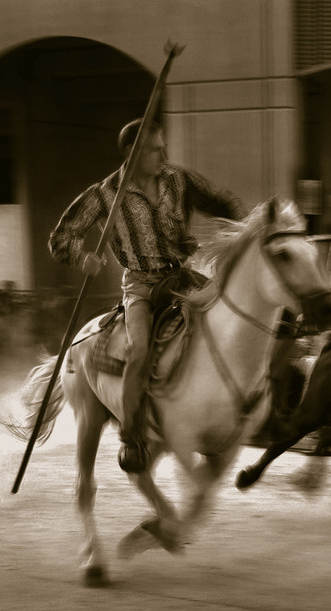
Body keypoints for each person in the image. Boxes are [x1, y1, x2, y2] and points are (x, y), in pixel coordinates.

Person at [49, 118, 246, 472]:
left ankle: (228, 413)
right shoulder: (103, 195)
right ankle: (133, 438)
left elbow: (221, 201)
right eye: (156, 150)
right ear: (132, 153)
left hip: (183, 275)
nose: (164, 155)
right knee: (139, 351)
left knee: (229, 320)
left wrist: (246, 227)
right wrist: (83, 258)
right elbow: (61, 238)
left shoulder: (179, 180)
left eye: (164, 147)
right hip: (141, 285)